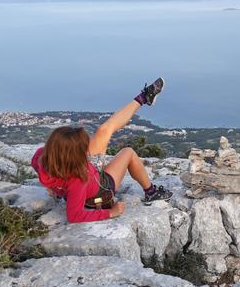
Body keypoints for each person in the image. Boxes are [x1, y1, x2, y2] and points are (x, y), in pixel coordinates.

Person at [30, 78, 173, 223]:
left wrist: (54, 188)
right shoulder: (77, 180)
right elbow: (75, 216)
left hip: (83, 173)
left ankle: (143, 97)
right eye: (82, 148)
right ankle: (151, 192)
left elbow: (42, 169)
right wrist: (111, 212)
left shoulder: (41, 156)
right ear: (74, 155)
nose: (86, 147)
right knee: (128, 152)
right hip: (100, 191)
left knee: (103, 130)